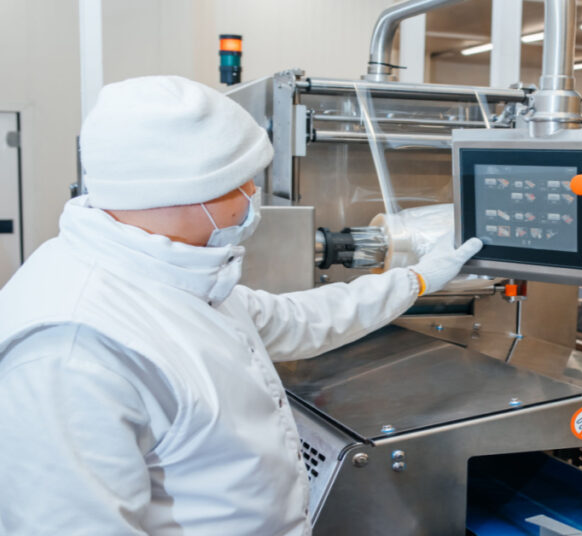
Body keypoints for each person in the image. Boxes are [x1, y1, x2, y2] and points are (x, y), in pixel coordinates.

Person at [0, 76, 482, 535]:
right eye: (241, 182)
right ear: (183, 191)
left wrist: (415, 279)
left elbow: (296, 320)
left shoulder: (172, 277)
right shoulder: (73, 352)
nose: (253, 195)